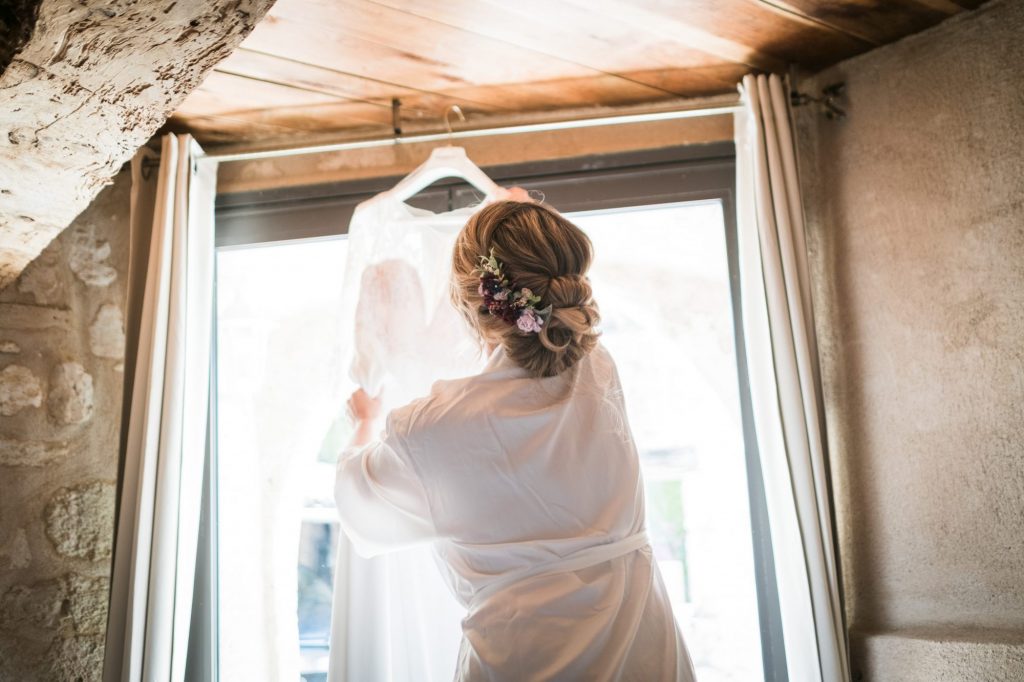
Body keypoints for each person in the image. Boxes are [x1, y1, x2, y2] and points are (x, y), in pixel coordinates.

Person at [335, 195, 697, 681]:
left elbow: (362, 511)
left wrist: (362, 425)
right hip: (642, 645)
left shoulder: (432, 429)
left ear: (468, 301)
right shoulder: (599, 368)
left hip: (523, 658)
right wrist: (524, 225)